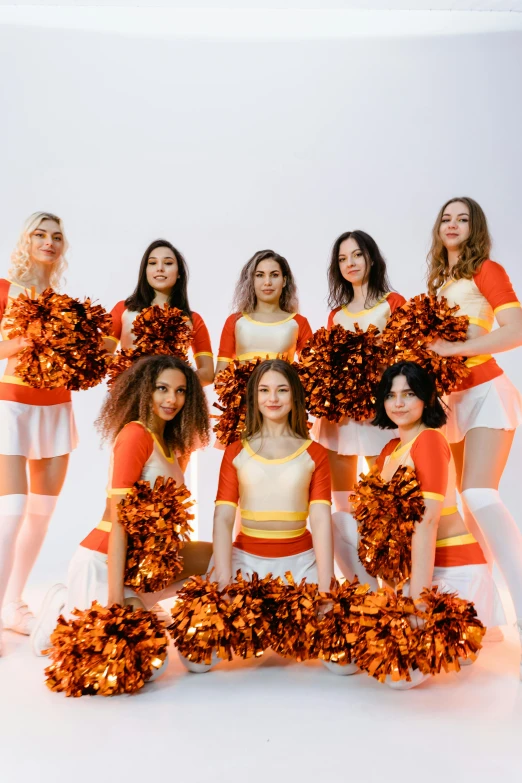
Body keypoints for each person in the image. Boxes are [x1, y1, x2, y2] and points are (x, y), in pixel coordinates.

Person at [332, 361, 504, 687]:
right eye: (391, 395)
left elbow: (427, 524)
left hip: (455, 570)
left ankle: (464, 630)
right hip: (415, 568)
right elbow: (379, 529)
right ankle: (374, 605)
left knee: (400, 678)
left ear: (425, 398)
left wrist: (418, 602)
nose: (398, 403)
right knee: (340, 521)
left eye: (408, 394)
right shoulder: (389, 451)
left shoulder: (429, 441)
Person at [31, 355, 212, 655]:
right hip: (104, 563)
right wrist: (116, 602)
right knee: (150, 663)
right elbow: (120, 520)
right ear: (145, 390)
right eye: (162, 389)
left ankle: (142, 604)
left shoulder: (168, 443)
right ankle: (62, 610)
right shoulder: (135, 435)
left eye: (181, 391)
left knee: (220, 557)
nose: (172, 399)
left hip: (141, 565)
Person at [181, 359, 334, 673]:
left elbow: (320, 521)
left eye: (281, 390)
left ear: (295, 397)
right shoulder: (236, 450)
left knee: (342, 665)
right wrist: (223, 574)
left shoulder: (314, 452)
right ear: (253, 397)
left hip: (299, 563)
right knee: (195, 661)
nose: (272, 398)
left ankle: (277, 636)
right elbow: (223, 518)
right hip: (245, 562)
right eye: (264, 390)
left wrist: (326, 582)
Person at [426, 197, 522, 675]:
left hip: (485, 390)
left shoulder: (487, 269)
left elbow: (515, 330)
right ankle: (496, 616)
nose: (453, 225)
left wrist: (457, 347)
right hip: (452, 401)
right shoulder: (439, 281)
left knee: (481, 496)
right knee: (465, 506)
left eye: (463, 218)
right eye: (446, 217)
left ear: (475, 227)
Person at [0, 212, 78, 654]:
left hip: (56, 407)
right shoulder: (5, 290)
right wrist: (22, 342)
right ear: (25, 241)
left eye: (56, 237)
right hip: (10, 407)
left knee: (40, 514)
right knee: (10, 513)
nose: (49, 242)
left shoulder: (65, 303)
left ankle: (13, 604)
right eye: (40, 234)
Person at [311, 231, 405, 513]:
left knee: (384, 497)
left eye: (357, 255)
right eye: (342, 259)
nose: (350, 263)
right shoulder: (335, 315)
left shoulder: (393, 302)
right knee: (342, 504)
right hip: (340, 417)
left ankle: (381, 555)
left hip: (379, 411)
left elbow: (405, 359)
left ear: (372, 259)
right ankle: (350, 557)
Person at [106, 239, 214, 388]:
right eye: (152, 263)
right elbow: (103, 355)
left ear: (179, 274)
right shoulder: (123, 309)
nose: (160, 268)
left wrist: (173, 382)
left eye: (168, 263)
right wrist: (137, 373)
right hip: (131, 397)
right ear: (145, 271)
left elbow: (208, 373)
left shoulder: (193, 319)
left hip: (172, 403)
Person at [215, 250, 312, 373]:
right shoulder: (235, 321)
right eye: (260, 275)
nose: (267, 282)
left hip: (283, 392)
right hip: (244, 393)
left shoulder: (299, 322)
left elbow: (312, 374)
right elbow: (221, 376)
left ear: (285, 281)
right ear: (252, 280)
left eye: (274, 275)